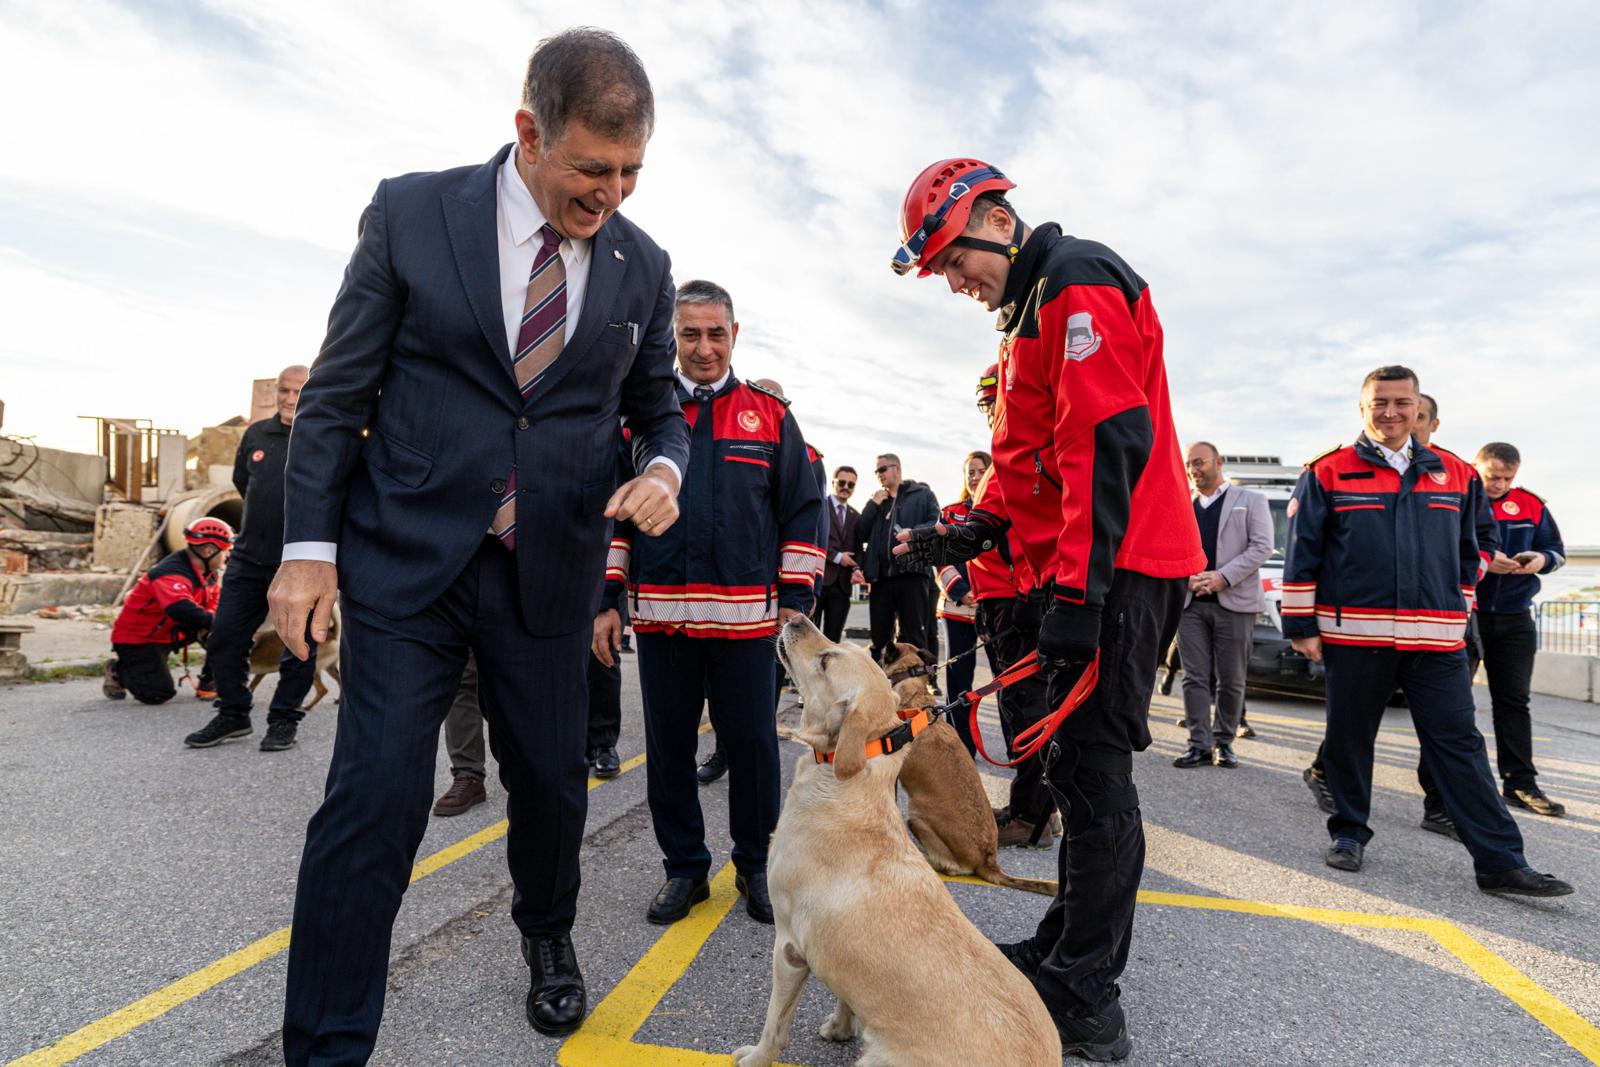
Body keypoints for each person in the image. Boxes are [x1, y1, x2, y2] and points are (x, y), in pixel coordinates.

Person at [268, 30, 691, 1057]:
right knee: (371, 800)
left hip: (547, 567)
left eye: (632, 172)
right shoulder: (414, 213)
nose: (611, 196)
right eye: (591, 168)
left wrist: (664, 470)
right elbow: (335, 397)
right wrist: (307, 546)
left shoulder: (642, 266)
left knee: (548, 781)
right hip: (406, 557)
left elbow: (659, 405)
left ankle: (547, 935)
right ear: (527, 131)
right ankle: (325, 1043)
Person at [891, 158, 1204, 1061]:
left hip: (1122, 566)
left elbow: (1109, 443)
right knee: (1073, 770)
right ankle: (1065, 948)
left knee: (1099, 778)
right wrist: (977, 529)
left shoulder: (1076, 281)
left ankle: (1086, 998)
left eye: (954, 261)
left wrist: (1078, 595)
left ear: (994, 217)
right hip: (1078, 569)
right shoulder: (1024, 316)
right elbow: (1035, 459)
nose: (955, 283)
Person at [1280, 365, 1570, 898]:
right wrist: (1301, 625)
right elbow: (1304, 552)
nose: (1391, 412)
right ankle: (1348, 834)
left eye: (1401, 402)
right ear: (1363, 408)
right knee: (1349, 739)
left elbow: (1480, 542)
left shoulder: (1456, 473)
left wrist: (1462, 587)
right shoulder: (1327, 472)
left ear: (1419, 408)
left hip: (1437, 639)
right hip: (1355, 636)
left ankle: (1501, 861)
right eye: (1379, 403)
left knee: (1460, 744)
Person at [594, 279, 823, 927]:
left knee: (752, 747)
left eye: (715, 333)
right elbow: (615, 519)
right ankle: (685, 869)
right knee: (668, 750)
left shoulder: (769, 415)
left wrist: (797, 602)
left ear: (734, 335)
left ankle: (756, 864)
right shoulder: (641, 418)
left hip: (749, 625)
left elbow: (803, 515)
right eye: (689, 333)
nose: (702, 347)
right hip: (662, 621)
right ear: (673, 337)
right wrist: (607, 597)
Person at [183, 366, 319, 752]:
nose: (290, 399)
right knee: (224, 638)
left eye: (299, 392)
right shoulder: (256, 435)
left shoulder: (323, 434)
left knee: (298, 645)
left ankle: (283, 721)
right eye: (284, 391)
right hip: (247, 559)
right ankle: (233, 713)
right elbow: (245, 484)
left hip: (298, 562)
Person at [1470, 441, 1567, 817]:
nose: (1498, 484)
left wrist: (1540, 559)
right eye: (1492, 476)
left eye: (1507, 478)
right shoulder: (1459, 498)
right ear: (1477, 468)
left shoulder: (1531, 504)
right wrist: (1482, 563)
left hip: (1514, 617)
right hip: (1468, 615)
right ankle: (1446, 789)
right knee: (1454, 706)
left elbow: (1556, 552)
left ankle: (1520, 783)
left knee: (1513, 704)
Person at [1171, 443, 1273, 770]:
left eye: (1199, 463)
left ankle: (1224, 742)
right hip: (1190, 604)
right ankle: (1198, 744)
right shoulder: (1183, 506)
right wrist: (1187, 577)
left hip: (1234, 603)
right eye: (1189, 465)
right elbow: (1172, 547)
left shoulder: (1251, 501)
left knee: (1231, 679)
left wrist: (1222, 577)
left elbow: (1262, 547)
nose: (1193, 470)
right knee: (1194, 677)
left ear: (1219, 462)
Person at [104, 519, 232, 705]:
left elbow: (214, 603)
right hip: (140, 639)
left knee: (222, 631)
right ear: (208, 551)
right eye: (226, 551)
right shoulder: (170, 573)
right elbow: (182, 610)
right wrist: (221, 621)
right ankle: (117, 671)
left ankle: (210, 681)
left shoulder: (208, 572)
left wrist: (219, 621)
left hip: (171, 631)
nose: (228, 556)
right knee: (157, 693)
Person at [856, 453, 939, 661]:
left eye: (882, 469)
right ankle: (881, 686)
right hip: (881, 578)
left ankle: (918, 685)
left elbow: (935, 522)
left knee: (914, 636)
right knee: (880, 637)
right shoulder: (878, 502)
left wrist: (912, 533)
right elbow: (860, 533)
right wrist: (872, 504)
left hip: (911, 574)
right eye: (876, 471)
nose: (879, 475)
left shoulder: (921, 494)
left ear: (897, 469)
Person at [935, 451, 989, 733]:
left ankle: (1015, 748)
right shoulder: (949, 512)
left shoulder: (1006, 508)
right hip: (956, 608)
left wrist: (985, 595)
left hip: (993, 607)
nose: (975, 477)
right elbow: (941, 556)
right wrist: (962, 590)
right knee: (958, 679)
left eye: (981, 471)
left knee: (1005, 678)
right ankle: (959, 745)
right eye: (970, 472)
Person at [813, 465, 863, 643]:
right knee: (811, 637)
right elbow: (813, 538)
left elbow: (858, 549)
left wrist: (857, 568)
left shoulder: (856, 516)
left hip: (842, 586)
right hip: (817, 581)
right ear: (833, 482)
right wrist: (836, 556)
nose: (846, 487)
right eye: (842, 482)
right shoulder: (818, 506)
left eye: (851, 485)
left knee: (833, 638)